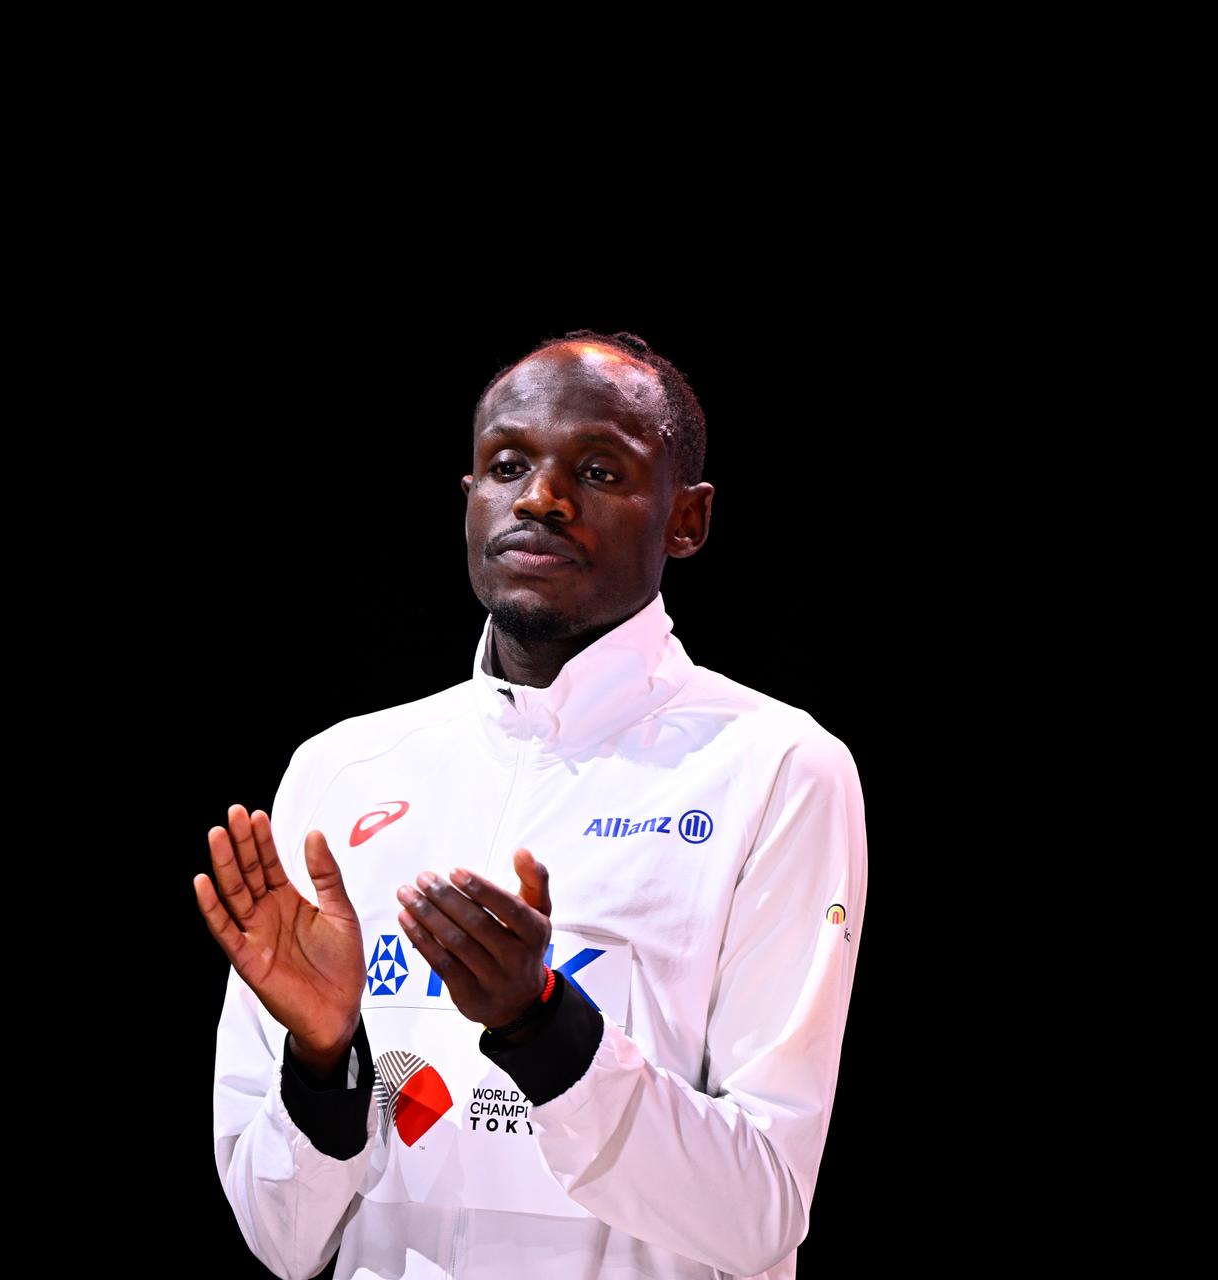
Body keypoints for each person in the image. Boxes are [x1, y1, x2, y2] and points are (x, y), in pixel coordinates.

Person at [195, 329, 869, 1280]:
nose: (541, 498)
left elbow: (761, 1213)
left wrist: (541, 1023)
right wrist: (321, 1061)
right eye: (507, 466)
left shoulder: (778, 767)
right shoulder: (341, 769)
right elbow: (282, 1241)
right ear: (468, 497)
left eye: (598, 470)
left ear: (686, 519)